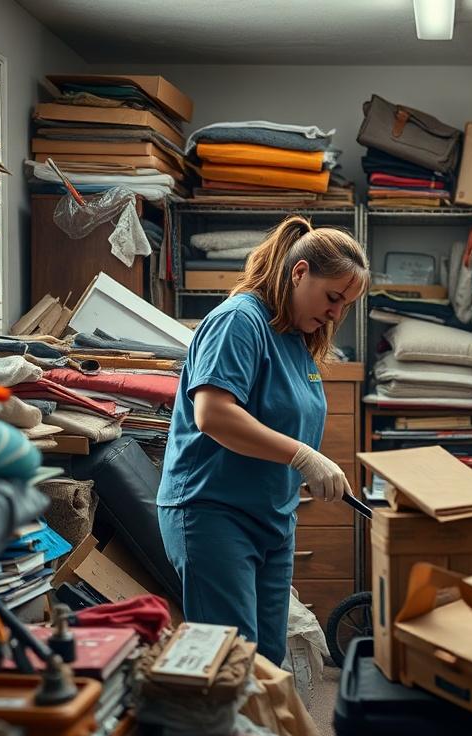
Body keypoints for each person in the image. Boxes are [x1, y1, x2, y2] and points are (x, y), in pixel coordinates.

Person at [157, 216, 368, 664]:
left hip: (271, 519)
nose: (336, 313)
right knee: (235, 662)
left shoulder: (297, 336)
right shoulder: (239, 321)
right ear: (299, 272)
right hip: (214, 512)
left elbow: (282, 420)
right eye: (333, 297)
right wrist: (303, 456)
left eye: (346, 306)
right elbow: (213, 414)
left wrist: (306, 463)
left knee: (269, 661)